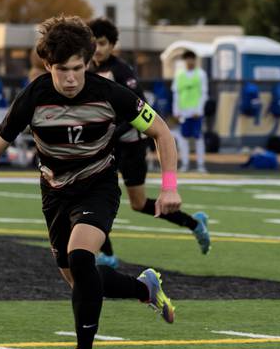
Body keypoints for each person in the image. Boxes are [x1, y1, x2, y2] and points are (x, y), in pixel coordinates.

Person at [0, 15, 181, 349]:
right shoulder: (34, 97)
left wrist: (168, 187)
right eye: (61, 70)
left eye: (77, 69)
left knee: (81, 256)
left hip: (99, 186)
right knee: (79, 281)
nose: (70, 78)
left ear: (87, 63)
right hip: (54, 193)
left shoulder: (110, 94)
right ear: (47, 66)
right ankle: (142, 288)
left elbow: (162, 133)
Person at [87, 18, 210, 268]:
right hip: (106, 146)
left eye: (102, 43)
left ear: (112, 45)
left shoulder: (121, 71)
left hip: (130, 144)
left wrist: (112, 132)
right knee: (92, 196)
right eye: (94, 43)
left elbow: (140, 109)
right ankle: (107, 255)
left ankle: (193, 223)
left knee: (139, 204)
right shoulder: (86, 69)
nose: (97, 49)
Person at [172, 50, 208, 173]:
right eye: (186, 59)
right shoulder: (179, 75)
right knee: (183, 139)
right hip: (183, 113)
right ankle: (185, 164)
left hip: (196, 112)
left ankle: (201, 165)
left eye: (191, 58)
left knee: (198, 138)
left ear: (194, 60)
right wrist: (176, 111)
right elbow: (176, 94)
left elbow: (204, 93)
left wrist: (199, 110)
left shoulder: (201, 74)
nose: (189, 61)